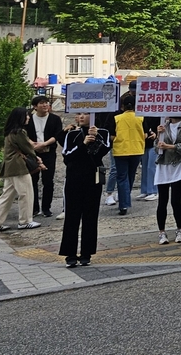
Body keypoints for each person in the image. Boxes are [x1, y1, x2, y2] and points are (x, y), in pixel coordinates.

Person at [58, 112, 111, 266]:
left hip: (93, 178)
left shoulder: (103, 133)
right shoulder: (72, 134)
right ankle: (70, 254)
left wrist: (96, 138)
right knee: (72, 216)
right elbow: (67, 156)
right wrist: (84, 143)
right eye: (80, 113)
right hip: (74, 178)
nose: (82, 117)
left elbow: (104, 150)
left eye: (86, 114)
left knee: (90, 215)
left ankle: (87, 252)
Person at [0, 107, 44, 232]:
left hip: (9, 166)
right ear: (20, 117)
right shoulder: (19, 132)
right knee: (26, 193)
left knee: (6, 195)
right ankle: (25, 221)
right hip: (18, 166)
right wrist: (37, 159)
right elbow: (28, 148)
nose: (28, 117)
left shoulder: (9, 131)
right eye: (26, 115)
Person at [154, 114, 181, 245]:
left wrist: (169, 146)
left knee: (176, 200)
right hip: (163, 165)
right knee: (162, 201)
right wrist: (158, 135)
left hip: (178, 164)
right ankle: (162, 232)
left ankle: (180, 229)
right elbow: (157, 148)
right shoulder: (164, 125)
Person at [29, 96, 62, 218]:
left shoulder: (55, 119)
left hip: (49, 152)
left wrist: (44, 143)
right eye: (41, 103)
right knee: (32, 180)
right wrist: (33, 145)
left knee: (48, 181)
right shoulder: (29, 119)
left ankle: (46, 208)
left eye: (46, 103)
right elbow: (23, 134)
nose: (45, 105)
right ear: (35, 106)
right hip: (32, 153)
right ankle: (34, 208)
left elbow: (57, 134)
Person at [112, 94, 144, 216]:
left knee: (121, 177)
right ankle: (126, 199)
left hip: (121, 150)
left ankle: (123, 204)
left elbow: (112, 135)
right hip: (137, 150)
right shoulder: (140, 118)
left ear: (123, 106)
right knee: (130, 176)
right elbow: (146, 134)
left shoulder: (117, 118)